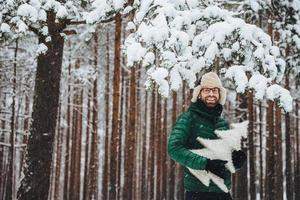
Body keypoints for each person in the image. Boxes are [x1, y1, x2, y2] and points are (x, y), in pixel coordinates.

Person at [167, 72, 246, 200]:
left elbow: (222, 160)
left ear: (220, 94)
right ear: (199, 94)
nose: (211, 94)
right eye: (206, 90)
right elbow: (174, 148)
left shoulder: (222, 124)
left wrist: (235, 160)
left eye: (215, 90)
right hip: (198, 192)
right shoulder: (188, 119)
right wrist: (205, 164)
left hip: (223, 192)